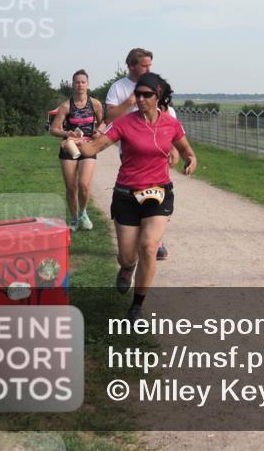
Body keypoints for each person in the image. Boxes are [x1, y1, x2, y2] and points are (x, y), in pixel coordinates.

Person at [65, 73, 196, 324]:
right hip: (126, 193)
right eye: (138, 94)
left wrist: (191, 159)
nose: (141, 99)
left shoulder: (170, 124)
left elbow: (186, 150)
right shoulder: (125, 123)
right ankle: (127, 268)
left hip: (158, 192)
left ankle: (137, 306)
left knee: (148, 246)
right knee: (127, 256)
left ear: (158, 96)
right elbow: (95, 148)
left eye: (147, 94)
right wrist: (76, 144)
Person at [105, 48, 175, 261]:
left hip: (156, 145)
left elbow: (166, 114)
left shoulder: (152, 85)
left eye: (149, 65)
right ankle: (135, 237)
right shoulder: (118, 87)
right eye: (144, 65)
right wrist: (129, 102)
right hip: (129, 145)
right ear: (132, 65)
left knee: (157, 185)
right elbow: (108, 117)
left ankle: (154, 239)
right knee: (136, 185)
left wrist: (172, 147)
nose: (148, 68)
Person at [49, 70, 105, 231]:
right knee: (71, 187)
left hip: (88, 147)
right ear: (73, 85)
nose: (80, 85)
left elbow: (103, 123)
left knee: (84, 185)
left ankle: (83, 213)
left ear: (87, 84)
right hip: (70, 147)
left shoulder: (95, 104)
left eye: (83, 82)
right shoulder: (66, 106)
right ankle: (73, 218)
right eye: (77, 82)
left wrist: (98, 132)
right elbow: (53, 129)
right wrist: (67, 133)